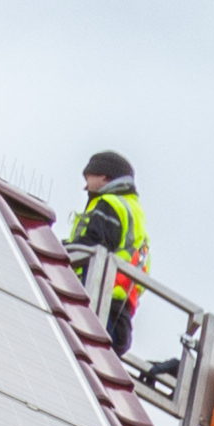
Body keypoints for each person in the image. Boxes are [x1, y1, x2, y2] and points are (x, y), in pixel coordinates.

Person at [68, 151, 147, 354]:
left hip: (98, 300)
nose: (85, 186)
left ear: (104, 176)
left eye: (88, 178)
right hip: (121, 309)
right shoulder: (133, 212)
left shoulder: (110, 204)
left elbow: (93, 245)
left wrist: (57, 250)